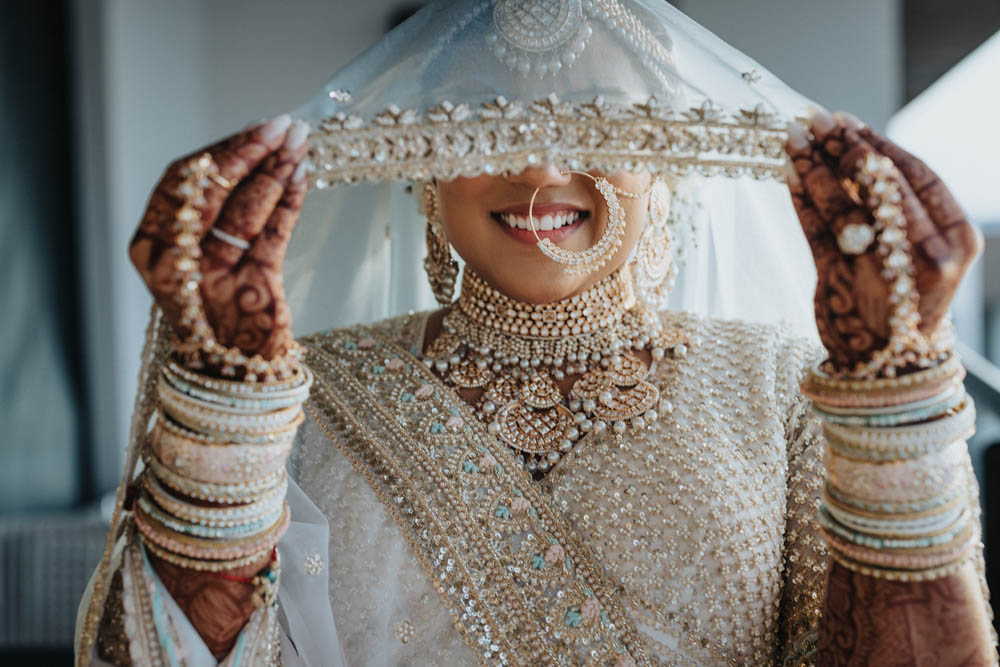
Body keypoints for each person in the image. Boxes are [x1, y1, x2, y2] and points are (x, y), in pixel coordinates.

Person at [76, 1, 997, 665]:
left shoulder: (785, 386)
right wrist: (222, 401)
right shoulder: (299, 387)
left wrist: (897, 387)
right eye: (485, 114)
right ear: (425, 165)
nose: (538, 159)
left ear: (664, 159)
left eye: (595, 116)